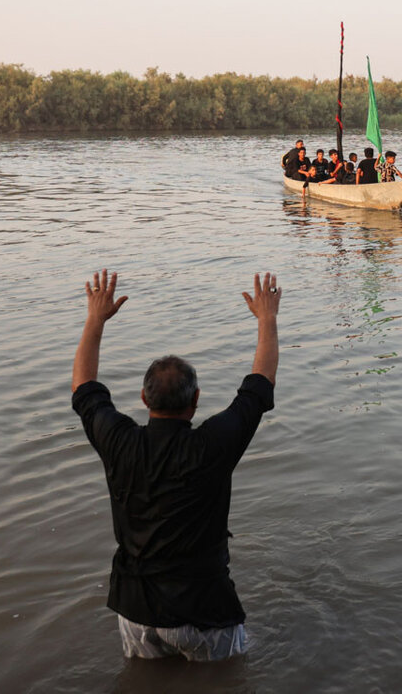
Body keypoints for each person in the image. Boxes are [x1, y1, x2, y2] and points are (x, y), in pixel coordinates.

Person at [72, 269, 281, 662]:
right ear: (196, 399)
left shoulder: (118, 441)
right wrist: (267, 318)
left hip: (135, 610)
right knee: (231, 680)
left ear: (144, 398)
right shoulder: (213, 444)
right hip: (204, 610)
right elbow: (260, 384)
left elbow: (83, 387)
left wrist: (95, 318)